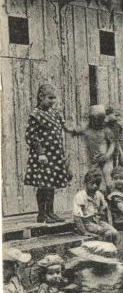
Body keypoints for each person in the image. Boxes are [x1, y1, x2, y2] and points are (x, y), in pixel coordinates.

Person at [24, 84, 79, 223]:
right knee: (43, 184)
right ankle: (42, 214)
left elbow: (65, 127)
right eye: (50, 98)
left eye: (54, 98)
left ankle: (50, 212)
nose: (53, 101)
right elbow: (31, 136)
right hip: (43, 156)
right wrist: (40, 153)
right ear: (41, 97)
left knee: (51, 184)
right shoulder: (35, 115)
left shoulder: (54, 113)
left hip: (55, 155)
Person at [74, 104, 117, 190]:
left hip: (105, 159)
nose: (97, 122)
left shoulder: (106, 131)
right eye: (94, 119)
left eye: (100, 119)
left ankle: (111, 194)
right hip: (93, 160)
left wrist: (107, 155)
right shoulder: (87, 130)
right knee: (94, 179)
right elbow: (74, 131)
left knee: (108, 179)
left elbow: (112, 144)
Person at [73, 170, 121, 244]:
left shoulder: (98, 194)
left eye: (97, 184)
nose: (95, 186)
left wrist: (108, 222)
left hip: (97, 220)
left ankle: (114, 249)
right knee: (107, 233)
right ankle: (106, 249)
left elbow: (106, 208)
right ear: (85, 183)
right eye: (92, 183)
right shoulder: (80, 196)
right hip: (86, 222)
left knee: (115, 232)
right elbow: (77, 217)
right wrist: (84, 232)